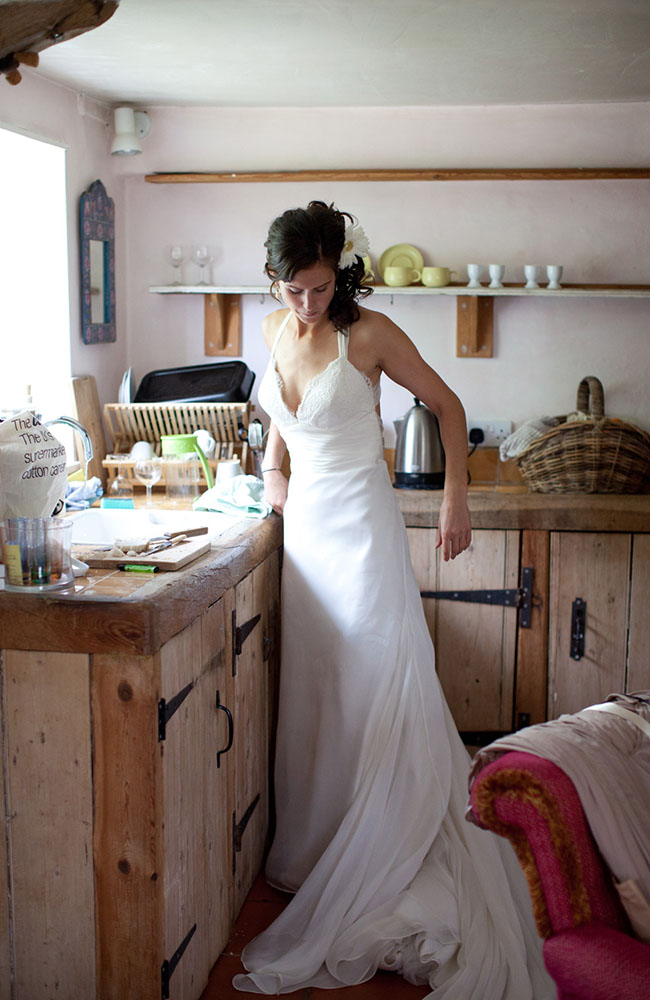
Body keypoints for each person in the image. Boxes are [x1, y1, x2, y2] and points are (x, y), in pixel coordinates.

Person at [234, 201, 552, 998]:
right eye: (291, 289)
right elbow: (278, 444)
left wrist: (456, 499)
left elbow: (447, 406)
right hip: (305, 541)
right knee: (319, 695)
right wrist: (271, 495)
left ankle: (388, 849)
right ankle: (318, 853)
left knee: (379, 687)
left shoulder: (367, 334)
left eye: (316, 287)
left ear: (338, 271)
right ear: (274, 281)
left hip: (365, 538)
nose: (305, 303)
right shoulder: (274, 333)